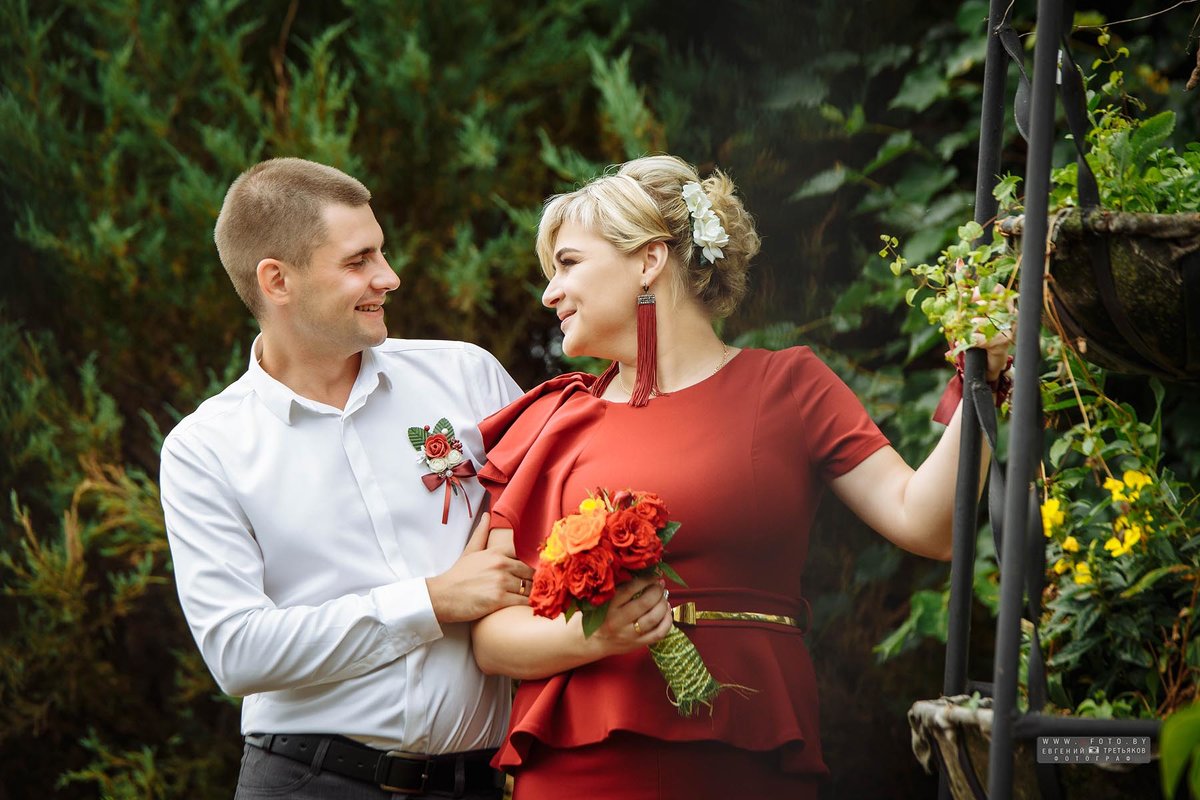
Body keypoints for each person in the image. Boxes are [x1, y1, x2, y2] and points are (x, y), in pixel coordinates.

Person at [469, 155, 1011, 799]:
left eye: (568, 264)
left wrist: (983, 380)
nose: (548, 293)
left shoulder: (789, 386)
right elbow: (492, 638)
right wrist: (598, 637)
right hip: (586, 764)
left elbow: (929, 525)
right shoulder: (550, 422)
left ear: (648, 260)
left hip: (748, 752)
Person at [159, 157, 535, 800]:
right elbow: (239, 651)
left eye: (381, 253)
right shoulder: (205, 449)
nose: (388, 277)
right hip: (311, 783)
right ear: (277, 281)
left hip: (480, 783)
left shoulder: (467, 378)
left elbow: (552, 519)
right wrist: (433, 600)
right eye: (358, 261)